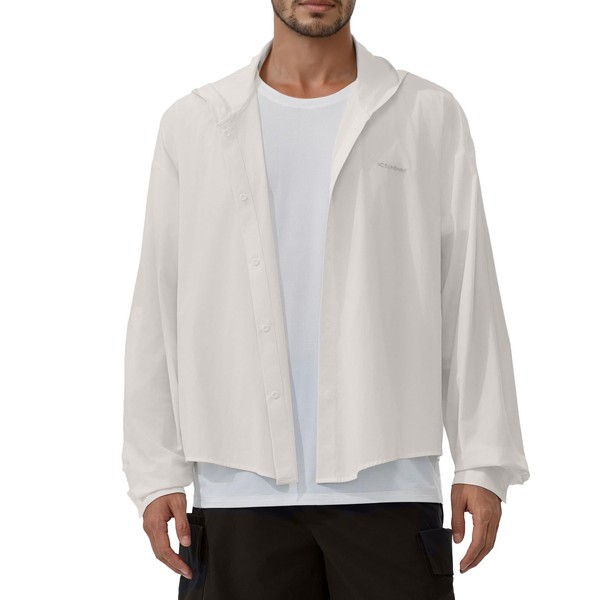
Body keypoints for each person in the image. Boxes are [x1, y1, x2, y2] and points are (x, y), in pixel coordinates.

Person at [121, 1, 531, 598]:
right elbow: (159, 302)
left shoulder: (425, 113)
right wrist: (155, 472)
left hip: (391, 486)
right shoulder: (195, 124)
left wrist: (483, 460)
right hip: (237, 493)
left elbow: (468, 291)